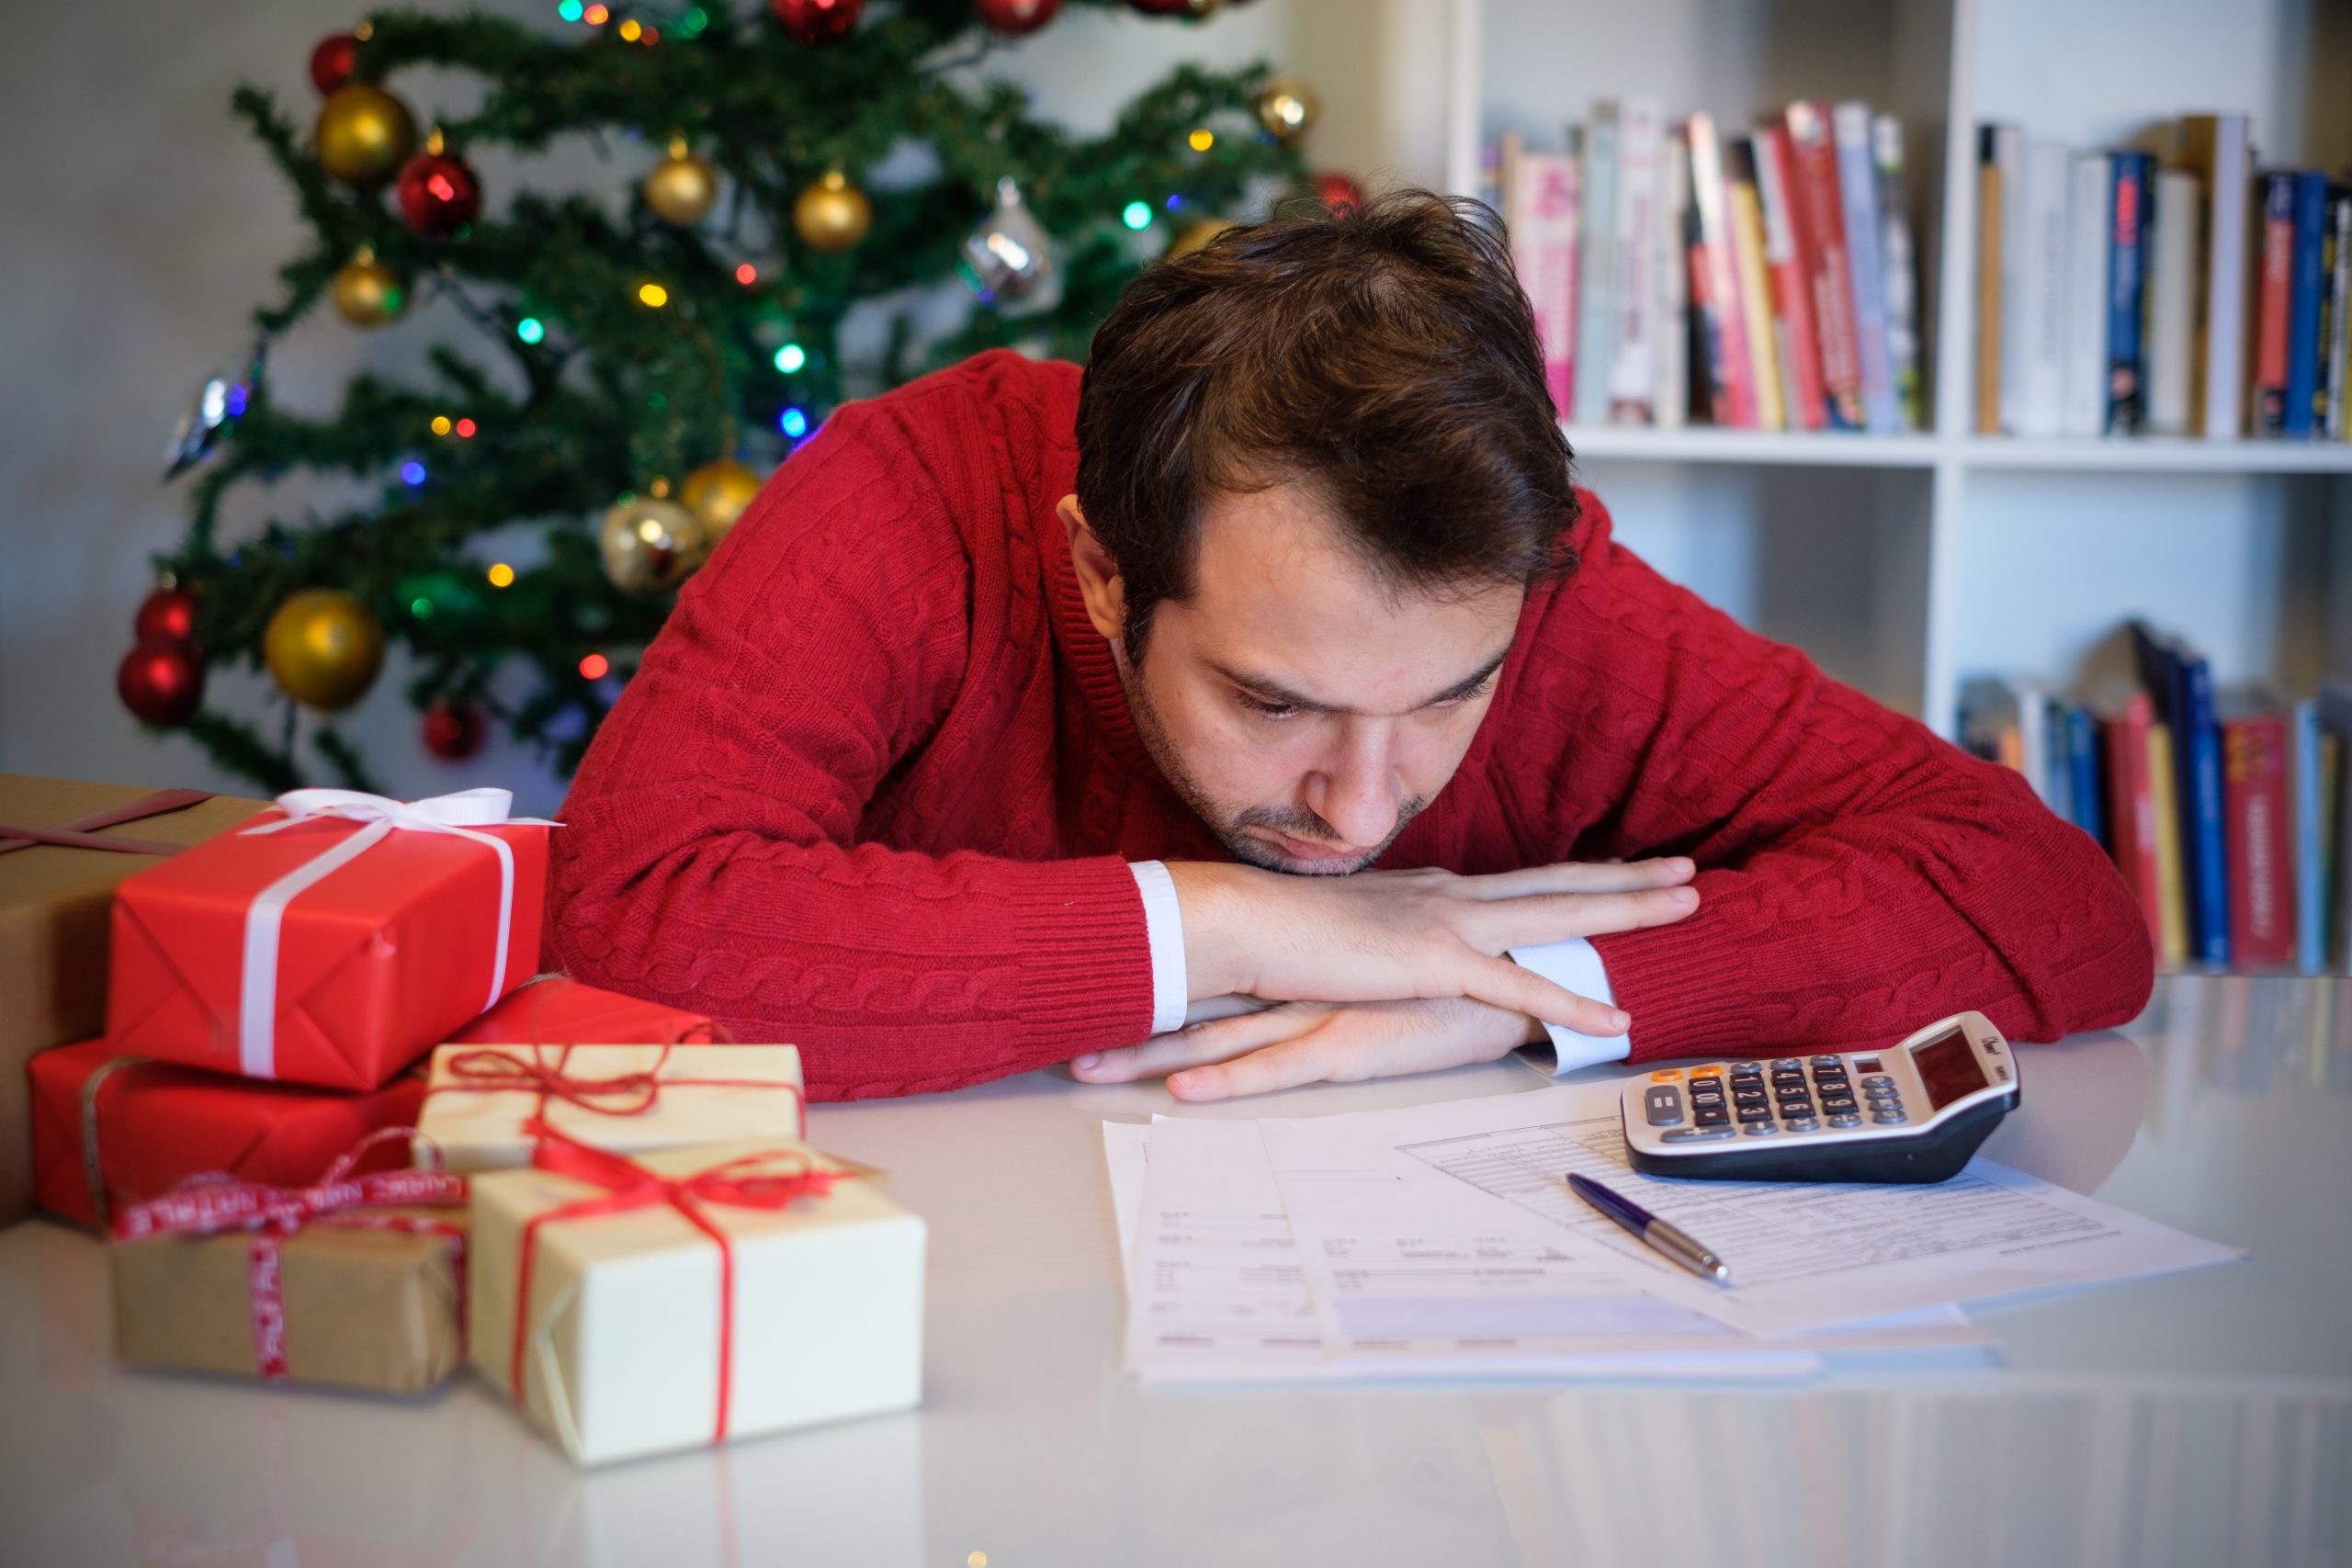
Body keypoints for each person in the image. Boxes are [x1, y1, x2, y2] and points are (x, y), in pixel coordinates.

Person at [548, 189, 2153, 1103]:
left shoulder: (1544, 582)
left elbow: (2055, 905)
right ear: (1102, 575)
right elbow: (625, 919)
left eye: (1451, 698)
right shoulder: (915, 492)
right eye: (1274, 702)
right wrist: (1243, 923)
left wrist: (1526, 994)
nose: (1364, 811)